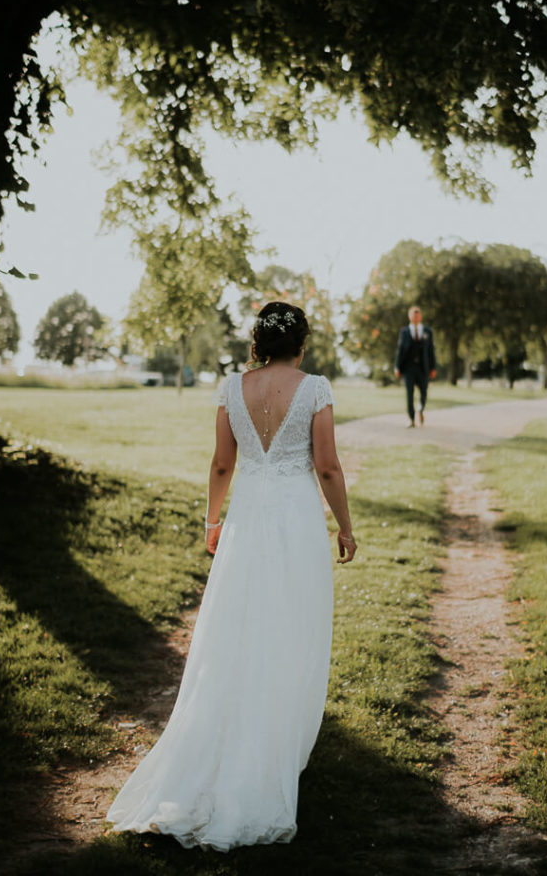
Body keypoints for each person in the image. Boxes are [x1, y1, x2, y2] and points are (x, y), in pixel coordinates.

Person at [106, 301, 356, 851]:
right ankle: (273, 753)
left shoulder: (229, 388)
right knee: (292, 631)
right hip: (294, 521)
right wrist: (345, 526)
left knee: (237, 630)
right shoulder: (315, 389)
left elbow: (222, 464)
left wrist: (212, 520)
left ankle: (229, 744)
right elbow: (328, 465)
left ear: (258, 340)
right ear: (301, 342)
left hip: (247, 520)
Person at [394, 305, 437, 427]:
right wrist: (397, 367)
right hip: (408, 368)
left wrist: (433, 367)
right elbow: (400, 350)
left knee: (424, 392)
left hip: (423, 368)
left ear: (421, 316)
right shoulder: (404, 332)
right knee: (409, 393)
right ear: (410, 316)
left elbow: (431, 351)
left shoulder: (427, 332)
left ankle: (420, 409)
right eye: (414, 315)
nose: (416, 317)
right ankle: (411, 419)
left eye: (418, 315)